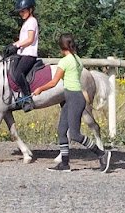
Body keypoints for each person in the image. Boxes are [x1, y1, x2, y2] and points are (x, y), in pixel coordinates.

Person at [33, 33, 111, 173]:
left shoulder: (64, 62)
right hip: (70, 98)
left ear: (61, 46)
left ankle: (102, 154)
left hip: (74, 98)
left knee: (75, 134)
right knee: (62, 131)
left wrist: (40, 89)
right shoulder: (77, 59)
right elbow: (76, 77)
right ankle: (65, 164)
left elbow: (53, 82)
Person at [10, 0, 39, 112]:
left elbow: (30, 39)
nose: (21, 13)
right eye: (20, 12)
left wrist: (17, 46)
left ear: (30, 10)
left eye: (23, 11)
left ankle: (28, 99)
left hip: (29, 54)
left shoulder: (32, 21)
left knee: (18, 73)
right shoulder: (26, 23)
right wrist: (11, 46)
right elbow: (22, 39)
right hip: (23, 53)